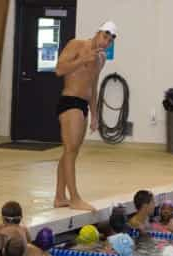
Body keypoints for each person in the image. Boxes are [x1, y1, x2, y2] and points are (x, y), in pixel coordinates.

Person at [54, 21, 117, 211]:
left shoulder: (101, 58)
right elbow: (59, 69)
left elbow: (93, 86)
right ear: (97, 33)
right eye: (105, 37)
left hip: (83, 105)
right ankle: (74, 198)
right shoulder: (76, 45)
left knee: (70, 152)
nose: (107, 42)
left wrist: (95, 114)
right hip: (69, 101)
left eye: (111, 40)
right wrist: (83, 59)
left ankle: (59, 197)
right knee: (71, 150)